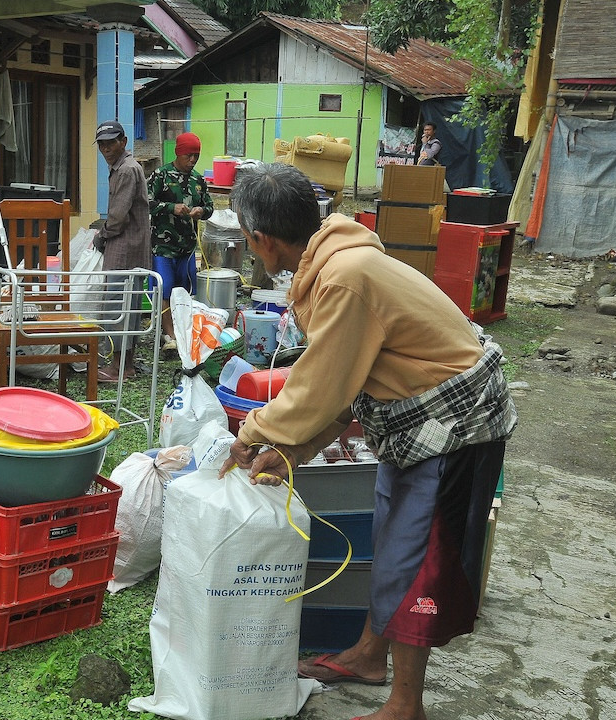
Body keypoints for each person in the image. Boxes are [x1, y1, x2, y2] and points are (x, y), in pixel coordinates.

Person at [219, 163, 516, 720]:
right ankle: (367, 655)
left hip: (452, 422)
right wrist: (292, 452)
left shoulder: (345, 277)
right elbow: (349, 382)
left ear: (260, 238)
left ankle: (406, 706)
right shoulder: (338, 263)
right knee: (391, 538)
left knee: (416, 557)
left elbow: (318, 389)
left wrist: (253, 433)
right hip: (411, 419)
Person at [92, 120, 152, 382]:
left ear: (123, 142)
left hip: (125, 249)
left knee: (120, 308)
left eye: (111, 142)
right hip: (130, 248)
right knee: (129, 308)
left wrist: (101, 235)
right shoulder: (123, 167)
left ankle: (120, 369)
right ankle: (124, 365)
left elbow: (117, 218)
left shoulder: (126, 170)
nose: (106, 148)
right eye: (102, 144)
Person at [148, 132, 213, 352]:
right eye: (189, 155)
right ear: (178, 153)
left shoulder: (198, 180)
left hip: (186, 246)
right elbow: (145, 202)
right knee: (164, 289)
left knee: (183, 291)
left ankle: (181, 332)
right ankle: (169, 336)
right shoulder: (161, 175)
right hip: (163, 244)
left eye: (196, 155)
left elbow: (210, 208)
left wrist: (201, 211)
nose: (193, 160)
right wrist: (170, 207)